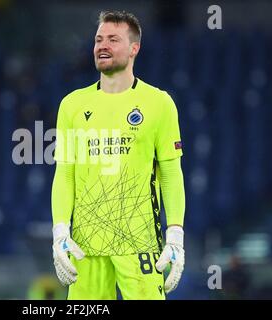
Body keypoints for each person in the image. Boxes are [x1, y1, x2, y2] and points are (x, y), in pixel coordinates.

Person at [51, 10, 186, 300]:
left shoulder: (159, 103)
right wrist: (60, 230)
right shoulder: (72, 105)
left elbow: (171, 173)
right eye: (99, 39)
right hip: (85, 247)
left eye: (113, 39)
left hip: (139, 244)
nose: (102, 45)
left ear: (134, 48)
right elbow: (65, 173)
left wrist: (175, 233)